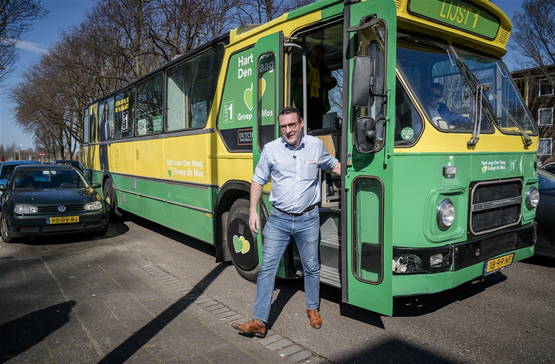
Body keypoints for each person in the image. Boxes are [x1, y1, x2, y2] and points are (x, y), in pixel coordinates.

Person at [231, 106, 341, 338]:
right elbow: (257, 181)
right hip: (279, 220)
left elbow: (332, 164)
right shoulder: (271, 150)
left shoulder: (315, 145)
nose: (288, 130)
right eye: (283, 126)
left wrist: (356, 173)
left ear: (301, 123)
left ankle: (312, 308)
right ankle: (259, 321)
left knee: (311, 267)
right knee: (267, 269)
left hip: (308, 218)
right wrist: (253, 210)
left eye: (292, 125)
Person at [293, 45, 337, 130]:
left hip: (318, 105)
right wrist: (298, 81)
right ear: (311, 55)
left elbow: (331, 83)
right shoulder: (299, 66)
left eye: (320, 59)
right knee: (302, 129)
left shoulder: (323, 68)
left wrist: (331, 80)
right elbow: (287, 80)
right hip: (302, 104)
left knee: (316, 130)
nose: (318, 61)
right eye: (316, 58)